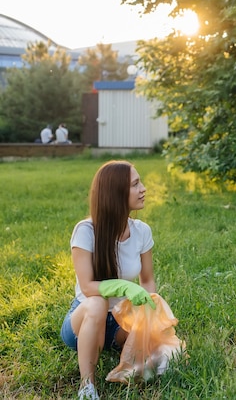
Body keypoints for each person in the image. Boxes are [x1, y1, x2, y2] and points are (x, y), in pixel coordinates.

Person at [60, 160, 157, 400]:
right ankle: (87, 386)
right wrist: (123, 285)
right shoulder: (86, 231)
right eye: (135, 184)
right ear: (116, 193)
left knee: (155, 344)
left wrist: (152, 307)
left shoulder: (142, 231)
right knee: (98, 302)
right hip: (83, 320)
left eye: (140, 182)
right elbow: (87, 286)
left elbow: (147, 280)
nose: (143, 188)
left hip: (120, 319)